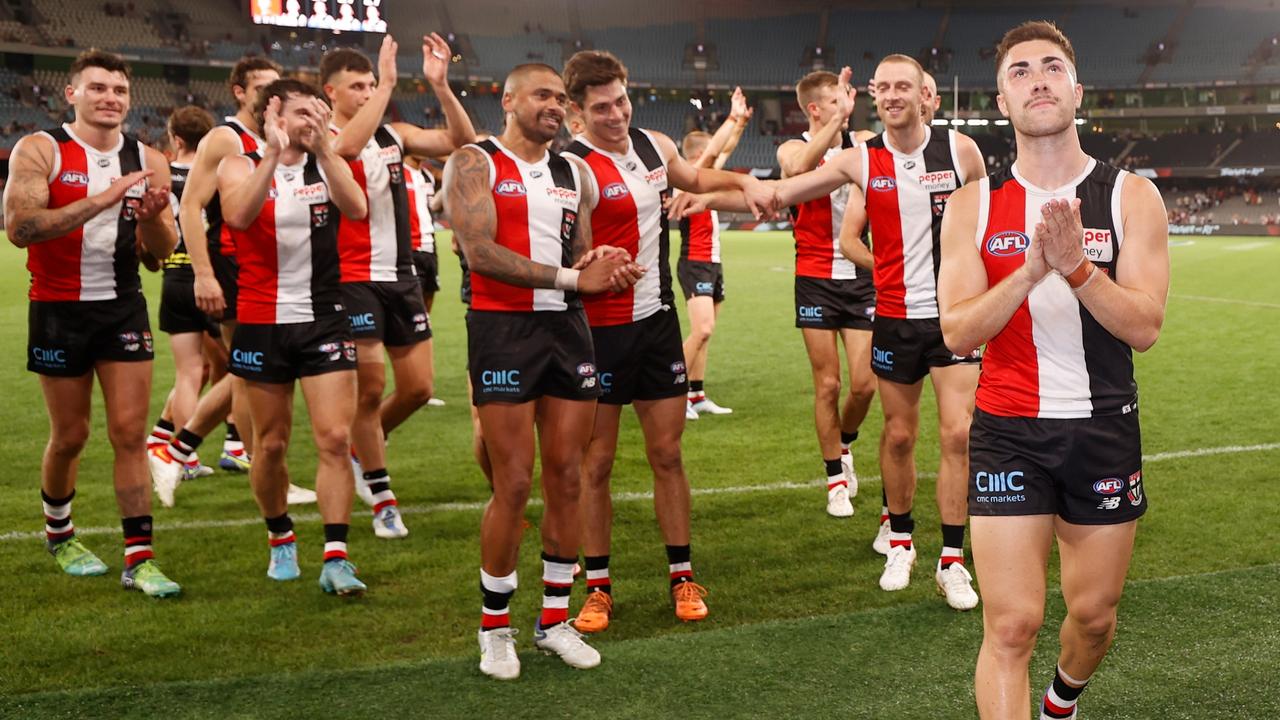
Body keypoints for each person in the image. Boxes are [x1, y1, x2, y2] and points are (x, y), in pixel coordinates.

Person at [675, 53, 986, 609]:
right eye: (883, 87)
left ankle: (953, 561)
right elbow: (784, 192)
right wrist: (718, 193)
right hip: (891, 315)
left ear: (923, 95)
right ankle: (901, 540)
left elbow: (991, 218)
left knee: (959, 435)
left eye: (903, 87)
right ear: (873, 95)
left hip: (953, 319)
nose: (892, 96)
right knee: (897, 435)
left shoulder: (961, 152)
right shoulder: (863, 159)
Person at [936, 21, 1169, 719]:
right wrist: (1031, 271)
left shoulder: (1131, 196)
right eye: (1019, 71)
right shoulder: (974, 205)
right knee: (1011, 626)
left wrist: (1075, 268)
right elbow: (956, 331)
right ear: (1001, 101)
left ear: (1076, 89)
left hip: (1102, 428)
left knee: (1093, 617)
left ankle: (1061, 701)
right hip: (1009, 429)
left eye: (1050, 67)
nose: (1037, 78)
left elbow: (1145, 326)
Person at [561, 50, 774, 635]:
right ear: (577, 115)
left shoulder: (653, 146)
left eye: (621, 101)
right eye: (601, 107)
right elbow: (556, 250)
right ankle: (598, 586)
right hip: (597, 333)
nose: (615, 114)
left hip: (655, 326)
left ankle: (682, 575)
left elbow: (697, 178)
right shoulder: (571, 166)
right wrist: (590, 261)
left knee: (668, 454)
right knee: (596, 464)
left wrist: (741, 180)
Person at [444, 62, 641, 680]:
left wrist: (602, 261)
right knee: (514, 484)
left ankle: (553, 620)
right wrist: (570, 277)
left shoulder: (573, 171)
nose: (555, 105)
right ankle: (494, 629)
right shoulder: (475, 162)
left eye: (560, 98)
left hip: (568, 331)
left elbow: (576, 253)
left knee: (567, 476)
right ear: (508, 100)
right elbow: (477, 253)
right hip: (503, 333)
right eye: (543, 95)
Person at [4, 49, 180, 597]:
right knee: (70, 435)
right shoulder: (41, 149)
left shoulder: (147, 158)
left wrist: (151, 220)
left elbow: (161, 253)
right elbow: (21, 227)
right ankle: (61, 536)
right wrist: (102, 199)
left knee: (129, 433)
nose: (110, 97)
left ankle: (140, 559)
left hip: (122, 306)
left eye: (120, 90)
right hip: (57, 309)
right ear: (72, 93)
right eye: (98, 87)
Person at [217, 79, 370, 595]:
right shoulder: (238, 163)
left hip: (324, 318)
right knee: (272, 444)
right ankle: (280, 536)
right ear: (273, 114)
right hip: (261, 322)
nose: (311, 120)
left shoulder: (326, 164)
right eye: (301, 111)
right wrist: (271, 154)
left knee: (333, 438)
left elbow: (356, 209)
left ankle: (336, 556)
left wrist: (324, 147)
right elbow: (237, 216)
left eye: (318, 112)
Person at [323, 34, 475, 537]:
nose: (367, 93)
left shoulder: (395, 135)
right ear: (331, 92)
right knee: (370, 391)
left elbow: (461, 141)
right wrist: (390, 82)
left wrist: (441, 86)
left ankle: (360, 450)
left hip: (400, 276)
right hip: (350, 279)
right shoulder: (321, 133)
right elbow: (345, 148)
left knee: (418, 388)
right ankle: (382, 494)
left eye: (371, 84)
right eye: (357, 86)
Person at [148, 58, 318, 506]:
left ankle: (204, 453)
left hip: (278, 271)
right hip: (236, 267)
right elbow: (190, 207)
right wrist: (203, 273)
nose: (274, 95)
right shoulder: (227, 138)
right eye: (264, 87)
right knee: (247, 370)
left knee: (243, 372)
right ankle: (189, 450)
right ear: (241, 93)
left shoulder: (287, 138)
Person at [775, 67, 878, 519]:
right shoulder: (793, 147)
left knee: (865, 384)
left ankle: (846, 443)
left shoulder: (863, 142)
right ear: (815, 108)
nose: (846, 107)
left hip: (860, 276)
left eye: (847, 99)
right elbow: (796, 171)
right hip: (814, 275)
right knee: (828, 384)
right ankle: (835, 477)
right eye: (836, 100)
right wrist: (837, 125)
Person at [148, 105, 222, 502]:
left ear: (176, 138)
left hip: (174, 275)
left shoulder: (163, 174)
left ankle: (182, 453)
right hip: (211, 273)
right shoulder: (216, 171)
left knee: (191, 370)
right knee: (235, 365)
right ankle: (222, 447)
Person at [678, 86, 751, 421]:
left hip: (712, 261)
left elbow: (723, 151)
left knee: (706, 335)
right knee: (702, 330)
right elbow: (714, 155)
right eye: (707, 153)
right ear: (696, 156)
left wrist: (739, 126)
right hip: (695, 261)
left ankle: (696, 395)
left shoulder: (703, 177)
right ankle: (671, 392)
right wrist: (732, 117)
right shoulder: (685, 180)